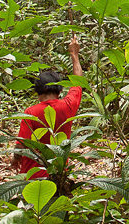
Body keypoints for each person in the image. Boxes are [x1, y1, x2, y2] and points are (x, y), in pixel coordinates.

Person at [12, 36, 83, 182]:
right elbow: (78, 82)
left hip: (33, 174)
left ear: (38, 91)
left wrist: (15, 159)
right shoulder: (68, 106)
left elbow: (21, 144)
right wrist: (74, 55)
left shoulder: (31, 113)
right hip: (58, 173)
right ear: (59, 90)